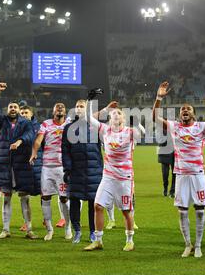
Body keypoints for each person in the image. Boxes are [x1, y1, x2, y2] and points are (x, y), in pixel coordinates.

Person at [152, 81, 205, 258]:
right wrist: (159, 98)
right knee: (182, 211)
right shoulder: (174, 126)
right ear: (179, 114)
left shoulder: (201, 126)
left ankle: (198, 245)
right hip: (181, 175)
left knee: (200, 209)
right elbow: (154, 117)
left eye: (188, 109)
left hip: (198, 174)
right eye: (182, 109)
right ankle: (187, 244)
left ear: (194, 113)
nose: (185, 110)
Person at [84, 99, 143, 252]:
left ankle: (130, 240)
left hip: (124, 179)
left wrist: (136, 124)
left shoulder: (130, 132)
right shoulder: (105, 130)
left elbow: (142, 132)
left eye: (119, 113)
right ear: (109, 119)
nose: (115, 115)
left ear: (123, 118)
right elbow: (88, 118)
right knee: (97, 206)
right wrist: (101, 107)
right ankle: (98, 241)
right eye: (113, 114)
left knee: (125, 210)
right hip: (108, 177)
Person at [62, 98, 114, 244]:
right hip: (75, 171)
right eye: (77, 106)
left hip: (94, 170)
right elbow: (65, 150)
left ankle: (92, 231)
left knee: (93, 202)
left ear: (87, 109)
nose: (79, 109)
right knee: (74, 201)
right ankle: (77, 231)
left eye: (82, 106)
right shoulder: (68, 128)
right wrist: (67, 169)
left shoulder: (96, 127)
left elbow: (108, 143)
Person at [0, 82, 37, 239]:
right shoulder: (2, 122)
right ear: (7, 110)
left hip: (22, 164)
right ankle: (6, 229)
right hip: (6, 164)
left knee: (25, 197)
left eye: (15, 107)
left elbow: (30, 135)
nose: (13, 109)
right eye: (10, 107)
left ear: (18, 110)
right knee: (7, 197)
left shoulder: (26, 123)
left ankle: (29, 229)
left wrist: (20, 141)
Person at [30, 103, 73, 241]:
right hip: (47, 167)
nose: (60, 107)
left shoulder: (70, 124)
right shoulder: (46, 124)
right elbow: (38, 140)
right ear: (53, 111)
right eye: (57, 106)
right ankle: (49, 230)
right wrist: (34, 152)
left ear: (65, 111)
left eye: (62, 106)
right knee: (45, 198)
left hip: (62, 167)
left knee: (64, 198)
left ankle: (68, 228)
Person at [19, 106, 42, 232]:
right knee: (24, 195)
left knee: (44, 195)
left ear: (31, 114)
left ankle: (46, 218)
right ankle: (27, 222)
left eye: (26, 112)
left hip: (37, 165)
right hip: (23, 166)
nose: (23, 114)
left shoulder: (39, 127)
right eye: (21, 113)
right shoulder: (17, 127)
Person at [157, 129, 176, 198]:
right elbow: (160, 143)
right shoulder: (161, 131)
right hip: (164, 154)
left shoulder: (176, 129)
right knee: (165, 174)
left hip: (175, 154)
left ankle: (172, 191)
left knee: (175, 174)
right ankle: (165, 188)